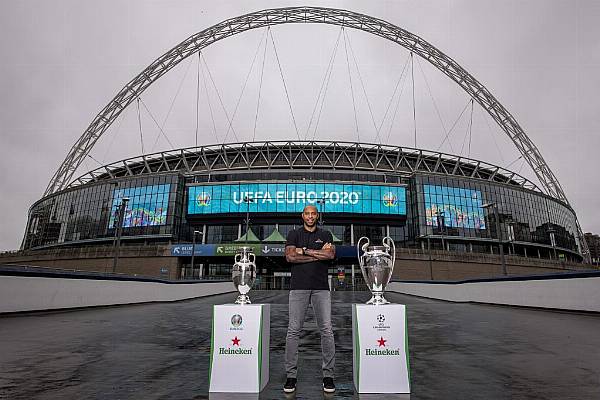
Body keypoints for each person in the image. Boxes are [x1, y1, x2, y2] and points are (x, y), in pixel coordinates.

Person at [283, 205, 336, 393]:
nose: (310, 216)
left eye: (313, 213)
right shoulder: (293, 234)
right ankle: (291, 376)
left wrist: (304, 251)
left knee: (327, 330)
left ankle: (328, 375)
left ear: (317, 215)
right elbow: (289, 257)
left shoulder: (326, 234)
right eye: (307, 213)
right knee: (293, 331)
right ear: (302, 216)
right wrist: (317, 254)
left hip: (321, 288)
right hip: (298, 288)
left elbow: (330, 254)